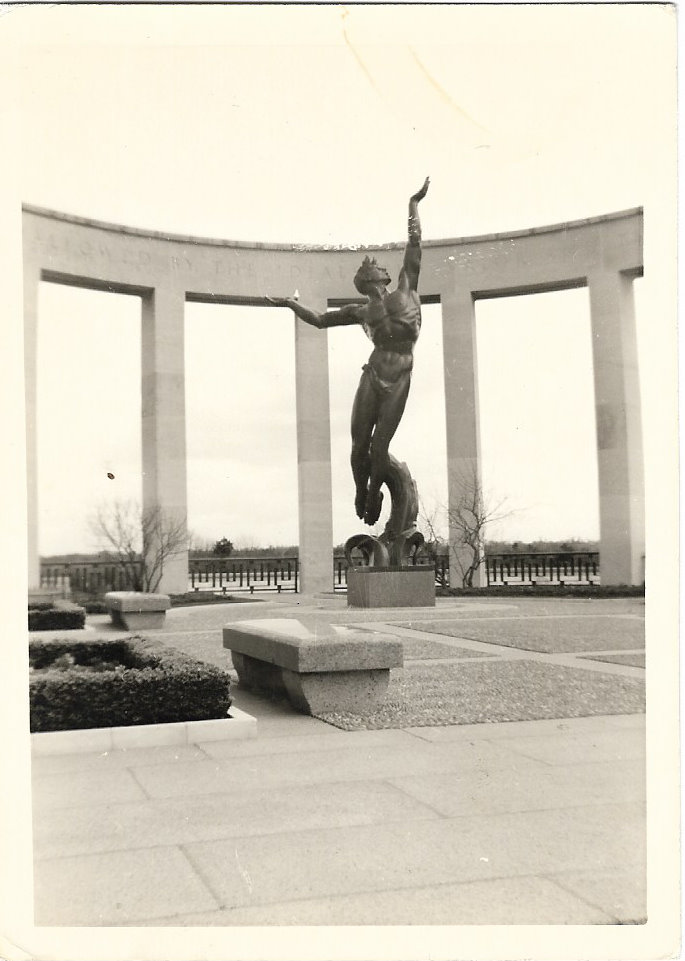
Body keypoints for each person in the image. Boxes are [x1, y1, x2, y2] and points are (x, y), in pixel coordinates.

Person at [268, 177, 430, 526]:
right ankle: (361, 490)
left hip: (400, 374)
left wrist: (412, 204)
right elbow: (319, 320)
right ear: (371, 279)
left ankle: (374, 494)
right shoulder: (360, 311)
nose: (379, 267)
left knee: (379, 447)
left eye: (376, 266)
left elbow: (415, 243)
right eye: (373, 268)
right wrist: (289, 305)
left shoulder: (407, 288)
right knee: (358, 446)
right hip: (373, 374)